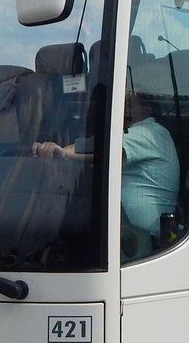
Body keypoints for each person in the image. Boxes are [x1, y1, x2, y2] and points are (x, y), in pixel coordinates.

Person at [31, 90, 179, 245]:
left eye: (129, 103)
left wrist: (64, 154)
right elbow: (86, 146)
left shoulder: (149, 132)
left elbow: (107, 154)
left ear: (146, 110)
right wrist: (53, 149)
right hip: (126, 232)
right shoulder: (127, 134)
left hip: (144, 240)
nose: (123, 107)